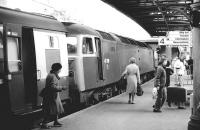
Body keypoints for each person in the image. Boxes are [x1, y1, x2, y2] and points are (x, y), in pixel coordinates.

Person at [41, 63, 65, 129]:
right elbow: (52, 87)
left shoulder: (52, 74)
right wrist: (61, 87)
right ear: (57, 69)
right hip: (51, 96)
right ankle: (44, 124)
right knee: (49, 110)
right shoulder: (52, 76)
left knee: (55, 109)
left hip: (53, 96)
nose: (60, 70)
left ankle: (56, 121)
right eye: (60, 69)